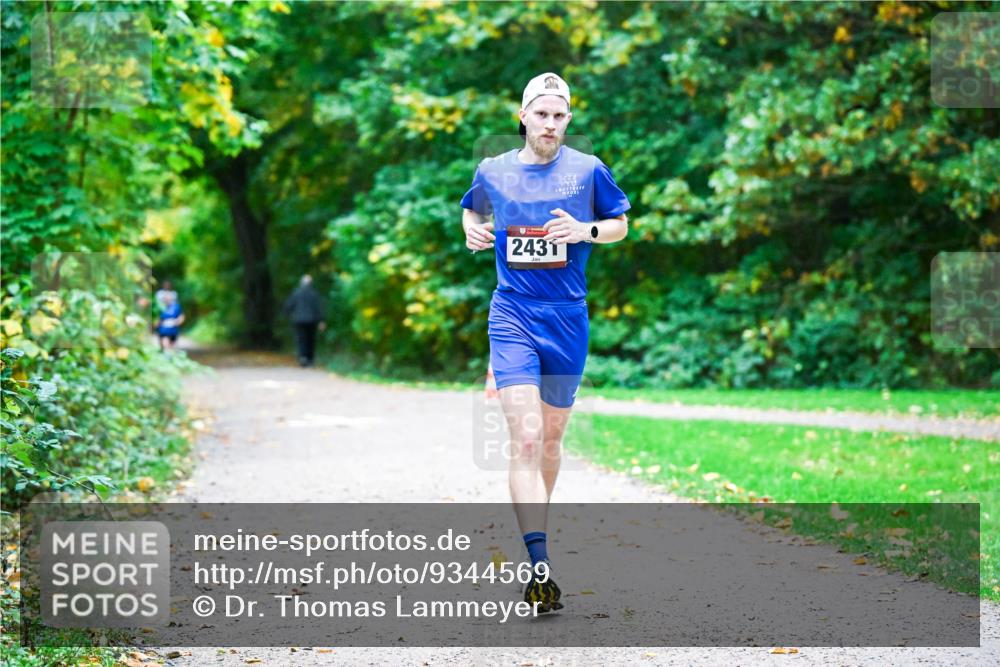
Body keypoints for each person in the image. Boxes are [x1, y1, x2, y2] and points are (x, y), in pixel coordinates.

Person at [460, 72, 631, 612]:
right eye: (542, 114)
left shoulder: (587, 171)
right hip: (512, 313)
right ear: (523, 115)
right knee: (527, 440)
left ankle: (536, 535)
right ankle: (540, 566)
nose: (550, 125)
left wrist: (587, 232)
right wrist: (472, 227)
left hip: (567, 319)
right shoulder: (495, 170)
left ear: (568, 121)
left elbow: (621, 223)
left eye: (560, 116)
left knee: (551, 442)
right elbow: (472, 206)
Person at [283, 274, 326, 367]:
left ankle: (303, 357)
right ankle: (310, 360)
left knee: (301, 339)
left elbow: (288, 305)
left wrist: (287, 315)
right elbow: (319, 308)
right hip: (311, 321)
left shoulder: (296, 293)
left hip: (299, 320)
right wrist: (321, 321)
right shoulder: (314, 294)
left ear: (301, 283)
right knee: (311, 340)